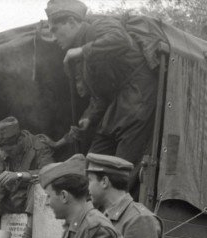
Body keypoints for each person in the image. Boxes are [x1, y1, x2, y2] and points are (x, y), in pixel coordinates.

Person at [45, 0, 159, 177]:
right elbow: (101, 94)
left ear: (72, 22)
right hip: (116, 106)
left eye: (55, 29)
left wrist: (82, 51)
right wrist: (89, 117)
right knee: (93, 162)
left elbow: (121, 40)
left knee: (120, 169)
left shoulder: (99, 25)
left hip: (138, 95)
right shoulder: (82, 58)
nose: (53, 37)